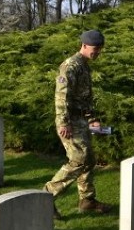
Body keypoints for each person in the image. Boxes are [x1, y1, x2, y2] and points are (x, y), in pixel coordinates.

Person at [42, 30, 111, 214]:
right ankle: (46, 195)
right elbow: (61, 96)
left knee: (88, 160)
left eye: (100, 49)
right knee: (78, 159)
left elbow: (84, 98)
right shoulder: (71, 65)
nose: (97, 52)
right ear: (84, 45)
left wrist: (92, 120)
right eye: (95, 49)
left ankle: (87, 200)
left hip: (81, 120)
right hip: (70, 121)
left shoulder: (84, 65)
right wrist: (63, 123)